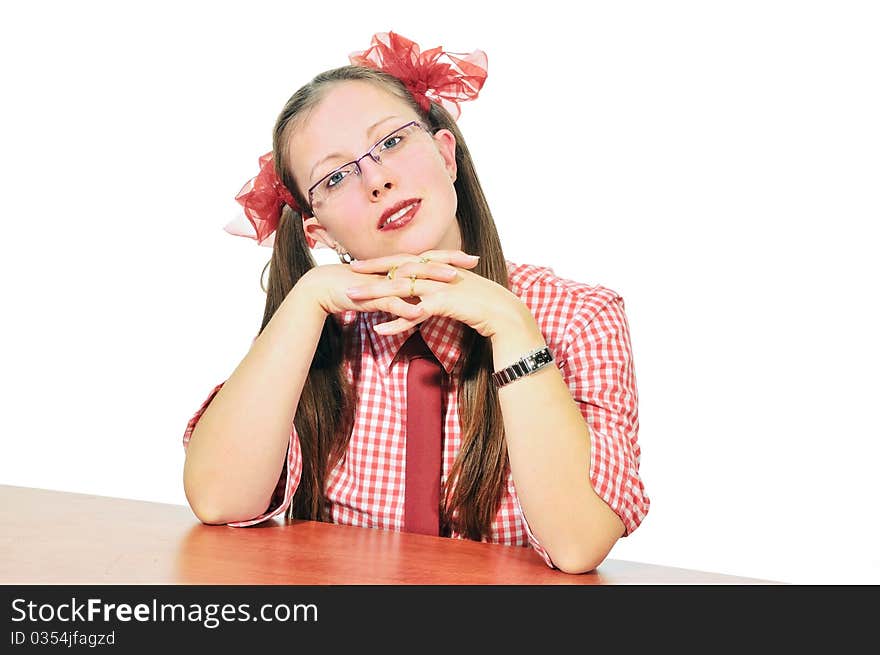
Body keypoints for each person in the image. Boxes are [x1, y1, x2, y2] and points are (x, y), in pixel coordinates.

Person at [182, 31, 649, 574]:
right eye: (334, 177)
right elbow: (219, 500)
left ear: (446, 156)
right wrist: (307, 297)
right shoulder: (318, 330)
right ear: (320, 230)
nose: (377, 179)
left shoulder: (579, 317)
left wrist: (512, 328)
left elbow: (577, 545)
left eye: (392, 142)